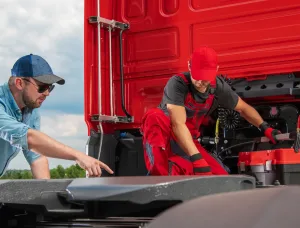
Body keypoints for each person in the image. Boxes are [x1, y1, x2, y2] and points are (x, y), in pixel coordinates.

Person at [140, 46, 280, 176]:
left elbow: (244, 108)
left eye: (205, 78)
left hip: (190, 141)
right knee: (154, 116)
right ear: (189, 66)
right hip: (168, 139)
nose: (201, 82)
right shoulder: (177, 84)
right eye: (198, 76)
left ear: (216, 70)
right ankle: (159, 180)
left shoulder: (218, 88)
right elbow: (178, 124)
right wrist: (196, 158)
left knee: (221, 179)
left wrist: (265, 127)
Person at [0, 54, 113, 178]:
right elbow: (29, 138)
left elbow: (37, 158)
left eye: (50, 88)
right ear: (19, 83)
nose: (47, 93)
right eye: (42, 87)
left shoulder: (31, 107)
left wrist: (45, 195)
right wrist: (78, 156)